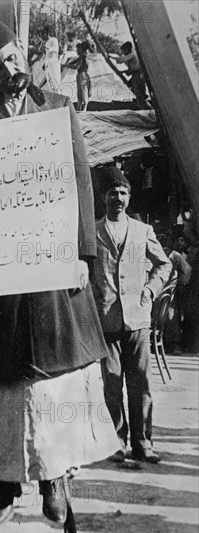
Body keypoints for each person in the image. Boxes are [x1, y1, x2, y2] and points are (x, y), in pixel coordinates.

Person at [0, 12, 119, 525]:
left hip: (52, 272)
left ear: (25, 50)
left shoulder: (60, 108)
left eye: (13, 56)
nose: (9, 68)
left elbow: (82, 183)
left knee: (51, 379)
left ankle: (54, 475)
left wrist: (85, 256)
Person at [92, 167, 171, 464]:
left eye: (124, 193)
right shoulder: (93, 230)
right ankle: (117, 443)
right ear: (104, 197)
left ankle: (143, 442)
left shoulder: (142, 231)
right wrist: (95, 293)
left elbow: (164, 265)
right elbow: (82, 268)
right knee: (111, 384)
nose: (119, 198)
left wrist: (150, 290)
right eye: (113, 193)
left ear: (129, 197)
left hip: (137, 319)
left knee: (140, 385)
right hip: (107, 319)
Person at [110, 41, 148, 109]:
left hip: (138, 74)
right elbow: (132, 66)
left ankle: (142, 104)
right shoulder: (132, 54)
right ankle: (142, 99)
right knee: (132, 86)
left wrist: (114, 57)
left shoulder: (132, 55)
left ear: (127, 49)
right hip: (137, 73)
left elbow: (121, 60)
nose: (124, 52)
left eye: (124, 50)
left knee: (137, 89)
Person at [67, 41, 92, 111]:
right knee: (80, 93)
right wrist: (66, 64)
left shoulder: (82, 57)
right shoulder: (82, 57)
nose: (77, 51)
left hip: (82, 75)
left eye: (78, 49)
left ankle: (84, 109)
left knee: (83, 92)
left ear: (81, 49)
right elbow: (74, 62)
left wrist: (68, 66)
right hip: (82, 75)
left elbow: (77, 66)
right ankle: (79, 109)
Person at [43, 25, 61, 93]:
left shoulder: (53, 39)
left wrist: (48, 48)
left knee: (55, 82)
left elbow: (56, 50)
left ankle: (57, 98)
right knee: (50, 82)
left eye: (44, 33)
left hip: (53, 63)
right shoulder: (47, 41)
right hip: (48, 63)